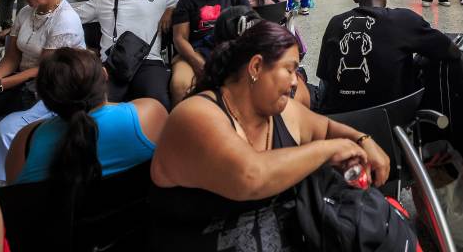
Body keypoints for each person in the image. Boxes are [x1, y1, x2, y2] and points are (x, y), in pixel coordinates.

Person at [148, 22, 392, 251]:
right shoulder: (195, 115)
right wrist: (329, 150)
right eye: (290, 69)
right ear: (255, 67)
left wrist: (362, 140)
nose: (296, 81)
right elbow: (250, 176)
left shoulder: (278, 111)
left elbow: (326, 128)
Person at [5, 48, 166, 184]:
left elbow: (18, 198)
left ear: (43, 95)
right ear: (105, 75)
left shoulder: (26, 140)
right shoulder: (148, 113)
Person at [317, 0, 458, 114]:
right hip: (392, 117)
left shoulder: (335, 23)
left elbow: (324, 76)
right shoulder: (404, 20)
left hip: (341, 119)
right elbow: (452, 51)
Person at [76, 0, 178, 109]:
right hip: (112, 64)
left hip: (148, 61)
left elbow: (187, 3)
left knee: (159, 104)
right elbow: (73, 18)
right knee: (96, 108)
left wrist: (171, 9)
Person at [0, 0, 85, 121]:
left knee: (0, 127)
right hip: (21, 81)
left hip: (51, 87)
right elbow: (12, 58)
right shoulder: (26, 12)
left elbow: (44, 68)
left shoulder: (65, 19)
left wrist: (1, 84)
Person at [170, 0, 250, 103]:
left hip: (229, 49)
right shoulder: (188, 0)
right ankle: (181, 123)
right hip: (196, 51)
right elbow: (180, 38)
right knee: (179, 85)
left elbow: (250, 24)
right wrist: (196, 61)